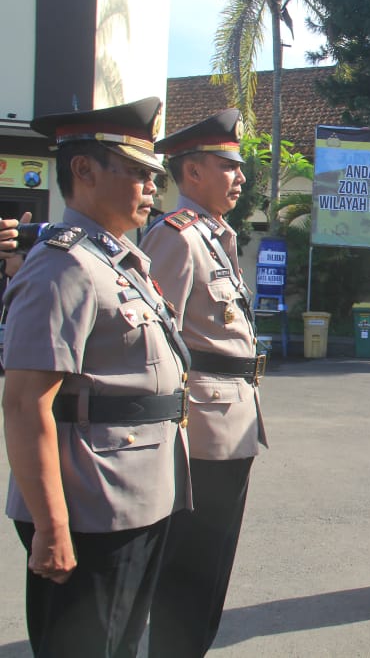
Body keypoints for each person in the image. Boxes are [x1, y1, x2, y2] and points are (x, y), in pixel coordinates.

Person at [2, 97, 191, 656]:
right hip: (90, 505)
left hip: (136, 492)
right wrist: (51, 526)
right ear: (83, 171)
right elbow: (25, 404)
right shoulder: (65, 266)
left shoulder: (115, 259)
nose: (152, 187)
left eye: (153, 175)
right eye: (137, 172)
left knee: (121, 644)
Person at [140, 109, 268, 657]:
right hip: (202, 423)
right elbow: (154, 341)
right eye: (228, 166)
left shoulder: (216, 236)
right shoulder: (176, 238)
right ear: (190, 172)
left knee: (214, 564)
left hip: (234, 416)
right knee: (191, 566)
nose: (240, 178)